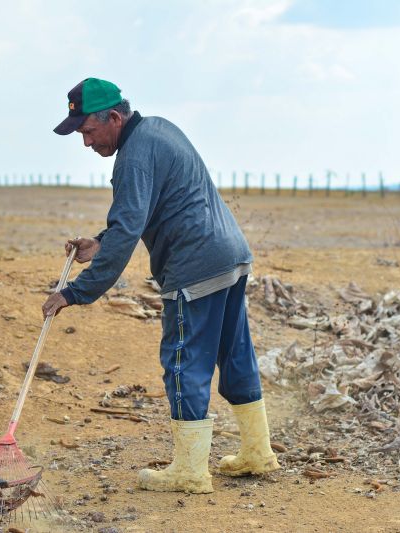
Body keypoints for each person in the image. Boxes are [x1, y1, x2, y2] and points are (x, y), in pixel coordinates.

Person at [42, 77, 279, 493]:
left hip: (196, 267)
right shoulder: (158, 130)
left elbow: (131, 223)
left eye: (88, 131)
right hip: (231, 256)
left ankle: (190, 472)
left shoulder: (133, 156)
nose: (85, 143)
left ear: (113, 118)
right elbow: (146, 212)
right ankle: (258, 453)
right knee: (234, 352)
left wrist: (75, 292)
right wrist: (100, 242)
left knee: (184, 361)